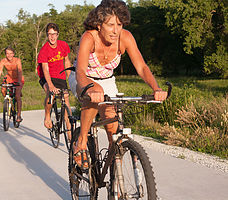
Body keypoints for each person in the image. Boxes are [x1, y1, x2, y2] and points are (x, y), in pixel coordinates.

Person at [72, 0, 168, 168]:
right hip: (82, 78)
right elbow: (80, 71)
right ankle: (81, 141)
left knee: (113, 127)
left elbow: (141, 67)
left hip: (107, 80)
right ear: (99, 24)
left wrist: (156, 88)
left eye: (119, 24)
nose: (115, 30)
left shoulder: (126, 37)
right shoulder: (89, 37)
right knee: (96, 95)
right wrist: (91, 88)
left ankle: (115, 173)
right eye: (110, 24)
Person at [37, 23, 72, 136]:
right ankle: (47, 116)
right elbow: (45, 69)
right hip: (46, 76)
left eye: (54, 34)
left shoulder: (63, 45)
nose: (52, 37)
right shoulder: (44, 50)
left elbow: (66, 61)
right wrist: (51, 85)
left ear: (58, 34)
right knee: (50, 93)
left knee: (66, 99)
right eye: (49, 34)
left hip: (60, 75)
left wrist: (70, 78)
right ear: (47, 35)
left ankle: (71, 137)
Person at [0, 46, 24, 122]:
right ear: (5, 54)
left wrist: (19, 81)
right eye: (7, 53)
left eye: (11, 53)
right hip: (9, 78)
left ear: (13, 54)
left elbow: (20, 71)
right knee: (3, 90)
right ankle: (8, 102)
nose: (9, 55)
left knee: (17, 96)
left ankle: (19, 115)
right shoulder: (3, 61)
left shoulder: (17, 60)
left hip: (18, 78)